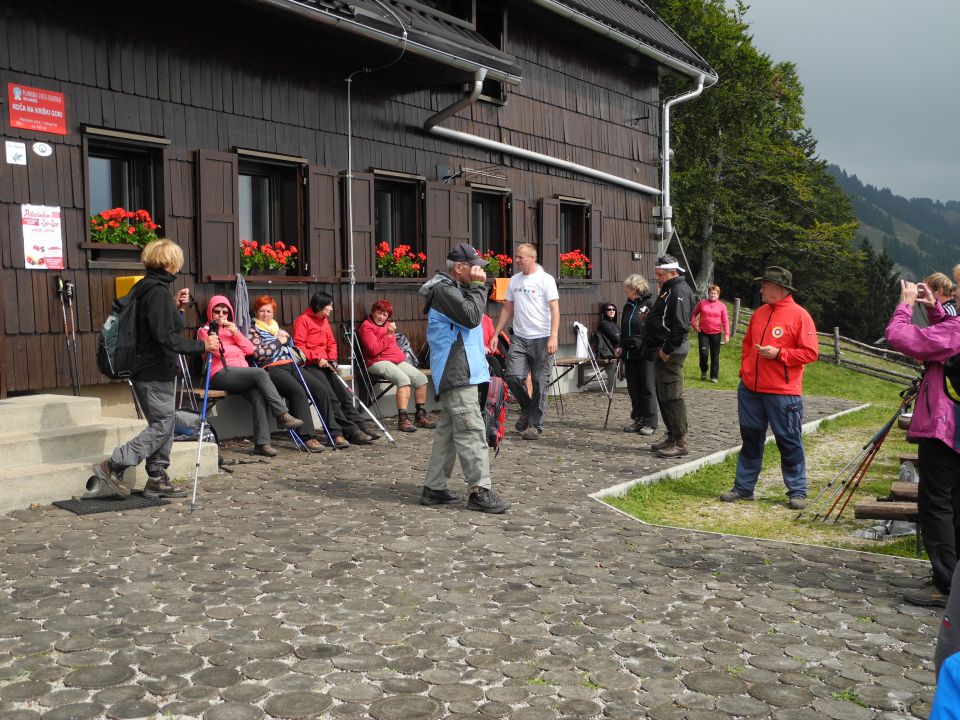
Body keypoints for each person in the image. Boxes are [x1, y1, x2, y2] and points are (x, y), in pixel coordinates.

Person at [91, 239, 221, 498]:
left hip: (149, 369)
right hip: (152, 370)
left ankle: (157, 477)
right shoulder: (157, 292)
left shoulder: (146, 287)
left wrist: (176, 307)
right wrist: (202, 346)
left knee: (165, 423)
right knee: (163, 424)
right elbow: (166, 338)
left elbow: (160, 328)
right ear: (171, 262)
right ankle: (114, 464)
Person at [418, 243, 511, 513]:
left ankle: (434, 488)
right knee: (471, 430)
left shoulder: (453, 289)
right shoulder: (445, 290)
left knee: (448, 431)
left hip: (461, 369)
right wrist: (479, 288)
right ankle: (480, 491)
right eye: (475, 266)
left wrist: (475, 289)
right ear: (459, 268)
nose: (480, 271)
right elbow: (472, 318)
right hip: (457, 371)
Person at [885, 279, 960, 608]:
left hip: (947, 428)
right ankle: (954, 581)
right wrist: (933, 307)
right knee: (956, 505)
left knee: (936, 505)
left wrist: (905, 304)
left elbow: (900, 337)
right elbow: (948, 337)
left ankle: (946, 585)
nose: (957, 292)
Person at [719, 266, 818, 509]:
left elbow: (810, 352)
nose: (761, 288)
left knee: (788, 440)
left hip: (783, 392)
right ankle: (744, 488)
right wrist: (745, 371)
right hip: (750, 390)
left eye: (766, 284)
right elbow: (747, 344)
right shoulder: (760, 313)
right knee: (751, 438)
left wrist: (779, 354)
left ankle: (797, 491)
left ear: (781, 288)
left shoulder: (800, 315)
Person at [248, 295, 373, 450]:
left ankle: (335, 433)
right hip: (272, 368)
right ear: (256, 312)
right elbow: (257, 354)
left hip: (292, 364)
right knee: (298, 392)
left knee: (321, 390)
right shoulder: (253, 330)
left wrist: (287, 341)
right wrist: (278, 342)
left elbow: (295, 349)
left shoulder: (277, 329)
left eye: (269, 311)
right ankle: (308, 437)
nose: (265, 315)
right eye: (262, 311)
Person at [197, 295, 304, 457]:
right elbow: (218, 352)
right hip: (220, 373)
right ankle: (282, 414)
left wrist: (235, 333)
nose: (221, 315)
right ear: (210, 313)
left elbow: (249, 350)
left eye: (225, 312)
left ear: (229, 314)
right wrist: (233, 346)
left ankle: (262, 444)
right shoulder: (205, 331)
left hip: (241, 375)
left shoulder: (232, 330)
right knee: (260, 373)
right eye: (216, 311)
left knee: (258, 396)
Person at [490, 242, 560, 441]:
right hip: (520, 337)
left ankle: (535, 425)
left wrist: (553, 336)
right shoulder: (514, 280)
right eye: (517, 257)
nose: (517, 260)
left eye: (521, 257)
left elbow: (555, 309)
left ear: (532, 258)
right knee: (512, 376)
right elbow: (507, 309)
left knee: (539, 381)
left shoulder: (545, 280)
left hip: (542, 337)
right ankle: (527, 408)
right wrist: (496, 334)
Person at [292, 291, 382, 440]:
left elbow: (331, 342)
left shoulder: (324, 320)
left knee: (345, 396)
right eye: (329, 305)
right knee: (332, 397)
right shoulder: (302, 320)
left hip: (326, 364)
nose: (331, 309)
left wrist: (332, 359)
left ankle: (361, 425)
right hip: (310, 365)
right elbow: (299, 347)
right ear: (320, 306)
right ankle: (351, 430)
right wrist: (317, 357)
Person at [358, 299, 436, 433]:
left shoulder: (387, 325)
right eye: (379, 313)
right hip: (376, 361)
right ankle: (403, 419)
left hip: (395, 360)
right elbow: (373, 350)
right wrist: (388, 335)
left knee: (422, 379)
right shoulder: (367, 327)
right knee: (404, 380)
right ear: (373, 312)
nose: (381, 317)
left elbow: (392, 346)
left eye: (385, 315)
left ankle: (420, 415)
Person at [643, 255, 693, 458]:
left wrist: (666, 349)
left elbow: (680, 326)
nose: (657, 278)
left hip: (671, 352)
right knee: (664, 395)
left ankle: (680, 441)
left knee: (672, 396)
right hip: (663, 349)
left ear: (673, 272)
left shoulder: (678, 290)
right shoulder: (669, 289)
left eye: (660, 274)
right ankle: (671, 436)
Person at [618, 274, 657, 436]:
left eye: (628, 288)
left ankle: (650, 421)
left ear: (636, 289)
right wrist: (620, 345)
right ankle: (638, 418)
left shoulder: (648, 304)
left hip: (644, 350)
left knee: (647, 386)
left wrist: (646, 343)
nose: (626, 291)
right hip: (629, 350)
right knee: (633, 387)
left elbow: (653, 327)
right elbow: (624, 326)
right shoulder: (628, 305)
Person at [691, 284, 730, 383]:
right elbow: (694, 314)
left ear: (718, 295)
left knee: (715, 355)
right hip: (703, 333)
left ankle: (714, 376)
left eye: (715, 294)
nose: (713, 295)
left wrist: (727, 334)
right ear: (708, 294)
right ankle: (704, 370)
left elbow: (725, 321)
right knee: (703, 354)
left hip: (716, 334)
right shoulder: (702, 303)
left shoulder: (722, 306)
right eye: (711, 293)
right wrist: (694, 325)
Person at [594, 302, 620, 390]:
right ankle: (611, 388)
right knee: (613, 362)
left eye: (613, 309)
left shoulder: (616, 324)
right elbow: (615, 337)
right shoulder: (603, 324)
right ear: (605, 312)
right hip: (609, 352)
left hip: (618, 349)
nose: (612, 311)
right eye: (609, 309)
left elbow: (621, 337)